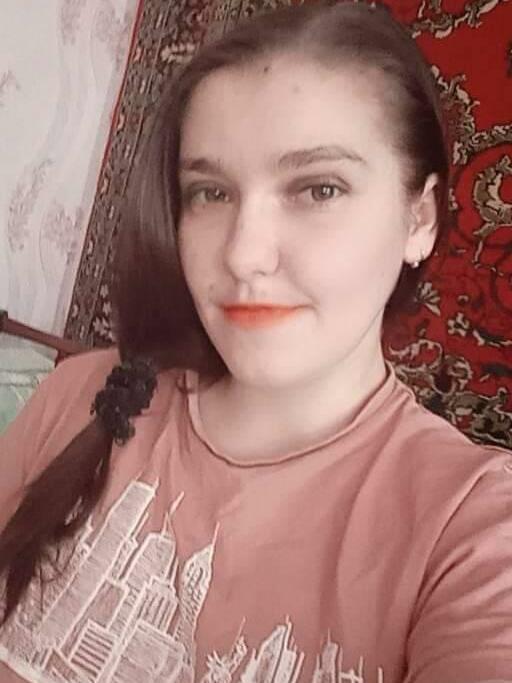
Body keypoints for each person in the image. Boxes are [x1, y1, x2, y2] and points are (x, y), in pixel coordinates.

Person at [1, 2, 511, 682]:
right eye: (210, 193)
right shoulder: (83, 392)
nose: (243, 254)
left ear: (419, 217)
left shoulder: (473, 530)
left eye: (319, 189)